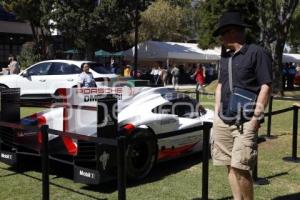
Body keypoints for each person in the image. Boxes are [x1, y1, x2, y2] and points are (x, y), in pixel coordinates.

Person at [211, 11, 272, 200]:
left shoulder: (257, 52)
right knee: (230, 165)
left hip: (246, 121)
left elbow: (266, 86)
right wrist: (215, 115)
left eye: (222, 34)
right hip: (223, 120)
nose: (220, 39)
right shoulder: (225, 58)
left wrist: (256, 118)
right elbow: (220, 86)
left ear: (232, 32)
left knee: (241, 167)